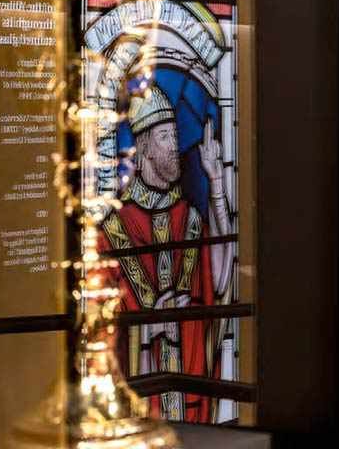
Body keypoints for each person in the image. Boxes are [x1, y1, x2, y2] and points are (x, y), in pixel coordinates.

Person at [98, 84, 234, 424]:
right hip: (139, 405)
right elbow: (97, 327)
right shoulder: (112, 231)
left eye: (175, 135)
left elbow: (220, 279)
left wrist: (216, 182)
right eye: (165, 137)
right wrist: (148, 330)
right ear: (143, 147)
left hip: (192, 392)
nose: (175, 145)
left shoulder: (189, 219)